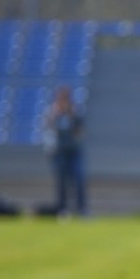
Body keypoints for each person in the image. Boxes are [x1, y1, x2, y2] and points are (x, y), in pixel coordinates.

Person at [42, 86, 87, 217]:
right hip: (59, 152)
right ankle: (62, 209)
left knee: (79, 179)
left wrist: (72, 116)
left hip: (73, 151)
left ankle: (82, 208)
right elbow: (47, 129)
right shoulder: (53, 112)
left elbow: (80, 132)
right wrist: (54, 114)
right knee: (61, 181)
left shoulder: (75, 112)